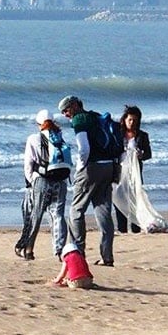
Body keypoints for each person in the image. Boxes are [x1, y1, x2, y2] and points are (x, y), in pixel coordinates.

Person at [58, 95, 117, 266]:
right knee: (104, 211)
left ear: (75, 105)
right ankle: (107, 257)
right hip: (108, 166)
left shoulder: (79, 119)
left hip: (91, 168)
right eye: (63, 112)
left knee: (76, 211)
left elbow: (84, 148)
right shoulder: (95, 116)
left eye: (67, 110)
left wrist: (79, 168)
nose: (66, 114)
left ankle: (78, 253)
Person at [21, 109, 71, 260]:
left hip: (42, 181)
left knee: (35, 215)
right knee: (58, 216)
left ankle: (29, 250)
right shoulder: (59, 138)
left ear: (39, 124)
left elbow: (28, 165)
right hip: (61, 181)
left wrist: (31, 182)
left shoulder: (33, 138)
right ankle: (60, 251)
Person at [115, 105, 152, 233]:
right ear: (124, 119)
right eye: (130, 119)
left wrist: (141, 155)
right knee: (119, 199)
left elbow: (148, 154)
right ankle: (122, 229)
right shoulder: (118, 134)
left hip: (135, 173)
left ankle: (136, 228)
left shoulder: (142, 136)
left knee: (135, 201)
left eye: (135, 120)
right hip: (119, 172)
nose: (132, 122)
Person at [13, 178, 33, 258]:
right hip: (31, 191)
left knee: (30, 224)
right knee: (28, 223)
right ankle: (21, 246)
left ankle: (24, 247)